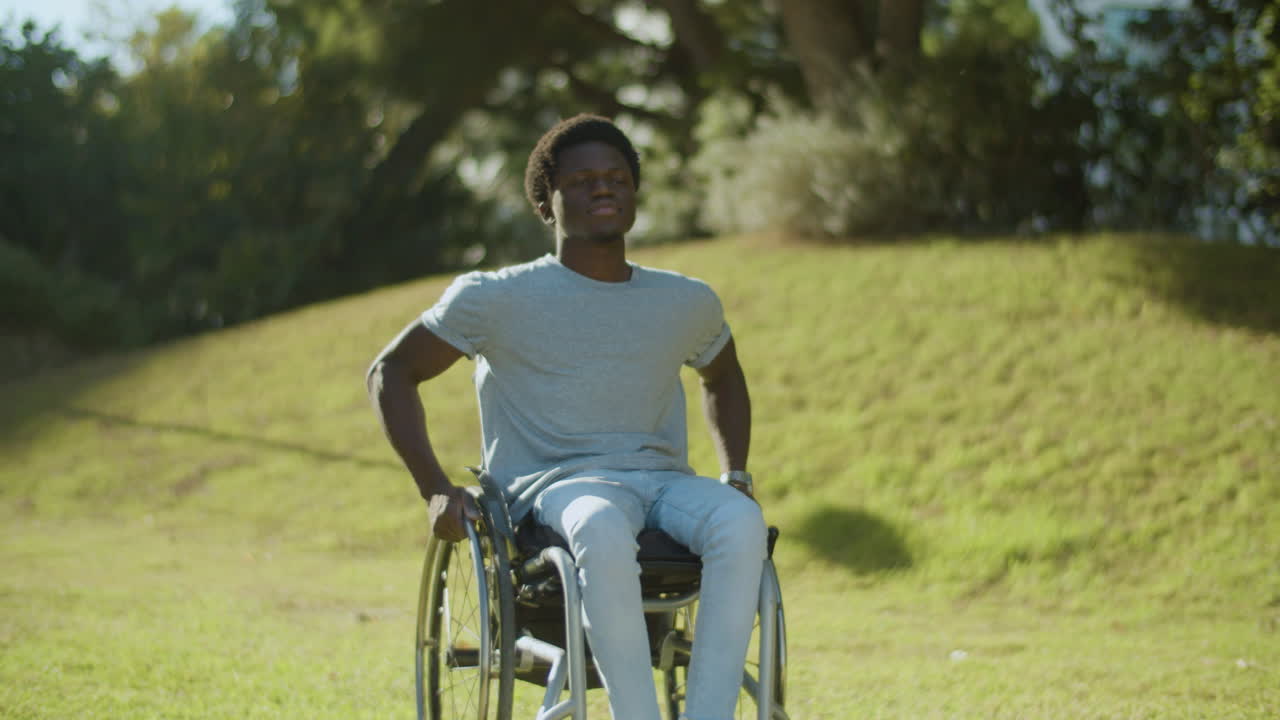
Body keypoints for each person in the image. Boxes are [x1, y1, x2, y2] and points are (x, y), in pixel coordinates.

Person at [366, 113, 766, 720]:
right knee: (600, 523)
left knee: (740, 521)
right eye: (582, 180)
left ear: (634, 192)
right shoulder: (495, 297)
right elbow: (390, 373)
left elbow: (724, 376)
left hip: (665, 486)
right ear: (546, 203)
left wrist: (734, 473)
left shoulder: (685, 300)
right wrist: (435, 489)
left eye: (617, 177)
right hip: (555, 489)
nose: (603, 187)